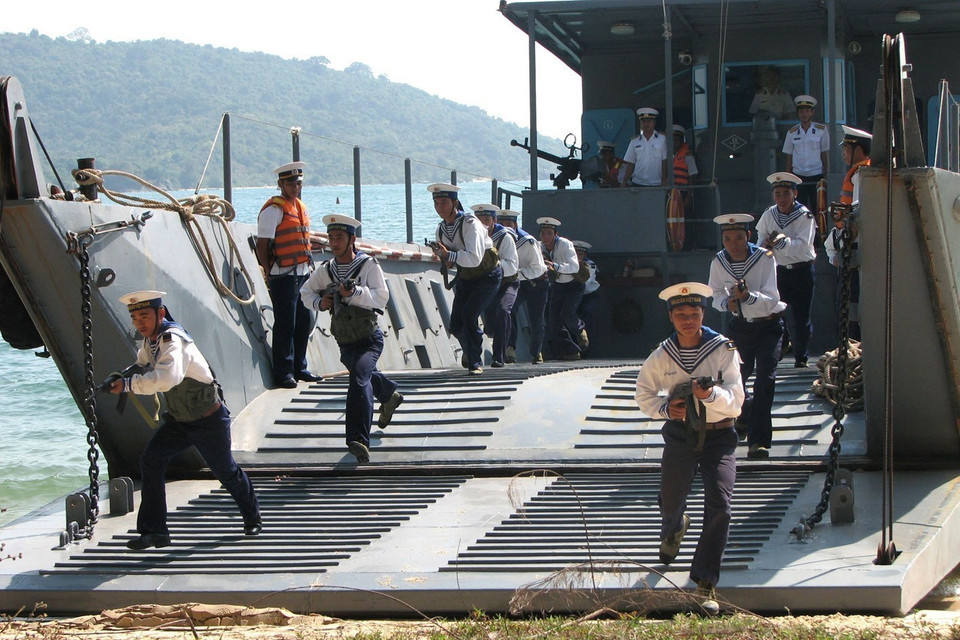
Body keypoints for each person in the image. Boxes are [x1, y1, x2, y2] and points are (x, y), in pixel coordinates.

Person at [111, 291, 261, 550]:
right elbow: (143, 361)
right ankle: (154, 531)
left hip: (208, 421)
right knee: (151, 460)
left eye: (144, 316)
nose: (140, 324)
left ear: (160, 313)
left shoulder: (173, 340)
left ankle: (252, 517)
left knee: (225, 471)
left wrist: (126, 386)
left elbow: (166, 379)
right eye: (135, 319)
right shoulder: (153, 341)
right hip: (179, 422)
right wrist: (122, 376)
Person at [634, 282, 743, 616]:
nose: (687, 320)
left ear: (702, 315)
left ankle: (705, 580)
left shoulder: (722, 349)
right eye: (680, 314)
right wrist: (668, 409)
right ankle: (675, 525)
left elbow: (737, 402)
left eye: (693, 314)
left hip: (719, 436)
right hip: (681, 435)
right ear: (671, 317)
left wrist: (711, 397)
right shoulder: (662, 354)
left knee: (720, 503)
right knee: (671, 498)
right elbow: (644, 394)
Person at [299, 215, 403, 464]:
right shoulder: (326, 270)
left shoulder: (368, 266)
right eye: (331, 238)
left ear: (351, 240)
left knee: (358, 380)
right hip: (345, 340)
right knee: (363, 375)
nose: (334, 243)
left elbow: (381, 298)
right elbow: (305, 292)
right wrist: (319, 302)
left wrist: (355, 292)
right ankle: (388, 395)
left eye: (340, 238)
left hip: (369, 339)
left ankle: (358, 440)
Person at [707, 214, 786, 459]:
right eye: (728, 238)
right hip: (740, 327)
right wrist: (728, 303)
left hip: (768, 327)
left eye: (739, 237)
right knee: (734, 378)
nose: (733, 243)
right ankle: (744, 413)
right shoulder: (719, 262)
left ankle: (759, 441)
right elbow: (715, 294)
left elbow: (772, 299)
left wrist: (748, 298)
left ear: (748, 237)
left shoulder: (764, 259)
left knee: (765, 379)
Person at [426, 183, 502, 374]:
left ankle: (475, 362)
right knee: (455, 324)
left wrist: (449, 256)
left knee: (469, 314)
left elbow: (474, 259)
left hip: (487, 276)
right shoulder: (441, 229)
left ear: (455, 203)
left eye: (444, 202)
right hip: (467, 277)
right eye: (436, 203)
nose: (440, 207)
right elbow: (454, 261)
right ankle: (470, 350)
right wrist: (444, 257)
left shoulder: (470, 224)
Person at [255, 161, 318, 389]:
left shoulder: (299, 206)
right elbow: (263, 245)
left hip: (302, 273)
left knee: (304, 321)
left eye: (298, 182)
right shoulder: (274, 210)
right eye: (290, 182)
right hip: (283, 275)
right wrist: (267, 271)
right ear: (281, 184)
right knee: (285, 324)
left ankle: (299, 368)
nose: (295, 186)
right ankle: (283, 372)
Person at [755, 172, 818, 368]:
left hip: (801, 271)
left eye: (786, 193)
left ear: (795, 194)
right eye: (778, 194)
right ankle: (783, 345)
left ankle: (801, 356)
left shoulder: (804, 216)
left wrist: (780, 243)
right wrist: (764, 246)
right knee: (775, 312)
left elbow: (802, 246)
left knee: (801, 316)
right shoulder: (769, 215)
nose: (782, 198)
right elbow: (759, 240)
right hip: (778, 271)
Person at [825, 125, 872, 341]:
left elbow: (858, 212)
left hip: (855, 247)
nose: (843, 154)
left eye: (846, 149)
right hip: (850, 245)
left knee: (849, 304)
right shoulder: (859, 174)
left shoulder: (861, 176)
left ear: (858, 150)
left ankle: (853, 345)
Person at [472, 204, 519, 368]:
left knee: (503, 310)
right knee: (490, 326)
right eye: (479, 220)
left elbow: (512, 265)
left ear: (494, 220)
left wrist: (493, 265)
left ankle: (499, 356)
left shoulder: (504, 237)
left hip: (507, 283)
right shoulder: (471, 236)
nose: (483, 224)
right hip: (487, 284)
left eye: (486, 220)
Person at [500, 209, 548, 365]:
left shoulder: (527, 241)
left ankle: (536, 352)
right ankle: (510, 348)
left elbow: (539, 269)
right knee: (509, 309)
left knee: (536, 317)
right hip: (517, 282)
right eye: (501, 224)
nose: (505, 227)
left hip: (536, 282)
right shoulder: (499, 240)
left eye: (508, 224)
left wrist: (515, 273)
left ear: (515, 225)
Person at [539, 216, 586, 360]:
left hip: (573, 284)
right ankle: (571, 351)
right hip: (558, 286)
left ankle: (580, 330)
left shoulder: (565, 244)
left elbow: (574, 266)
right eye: (543, 233)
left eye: (549, 233)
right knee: (554, 322)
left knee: (567, 313)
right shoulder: (539, 246)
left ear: (555, 234)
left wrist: (555, 266)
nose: (546, 237)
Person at [782, 95, 830, 211]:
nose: (804, 114)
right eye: (801, 111)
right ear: (798, 113)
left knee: (818, 207)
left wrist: (826, 173)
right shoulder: (792, 132)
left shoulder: (821, 130)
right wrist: (788, 177)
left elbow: (824, 153)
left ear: (812, 112)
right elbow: (789, 155)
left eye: (807, 111)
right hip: (798, 174)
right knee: (799, 208)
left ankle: (818, 229)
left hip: (816, 174)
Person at [621, 108, 669, 187]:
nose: (646, 124)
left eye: (649, 121)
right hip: (638, 183)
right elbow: (630, 163)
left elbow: (664, 161)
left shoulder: (662, 139)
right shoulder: (635, 141)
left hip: (656, 183)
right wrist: (624, 182)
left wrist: (663, 181)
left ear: (654, 122)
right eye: (643, 121)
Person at [573, 240, 599, 351]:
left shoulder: (590, 265)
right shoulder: (568, 264)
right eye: (576, 254)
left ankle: (587, 348)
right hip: (574, 295)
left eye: (581, 254)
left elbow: (584, 282)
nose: (578, 257)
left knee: (587, 315)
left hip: (589, 295)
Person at [672, 124, 699, 214]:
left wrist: (689, 196)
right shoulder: (664, 156)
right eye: (672, 139)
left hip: (682, 193)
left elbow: (692, 177)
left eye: (677, 140)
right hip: (668, 193)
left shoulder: (688, 156)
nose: (674, 142)